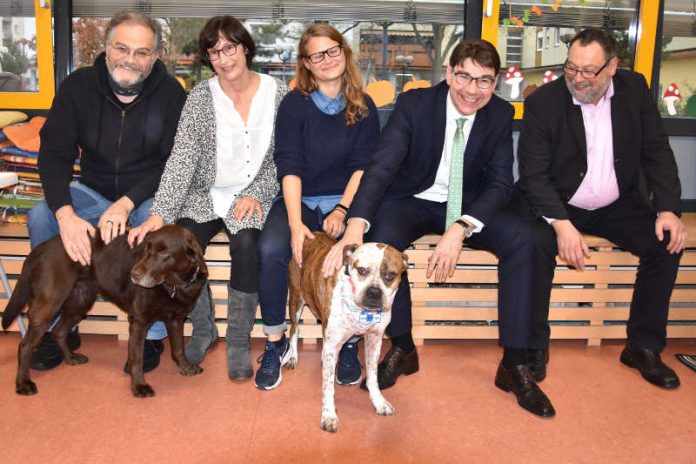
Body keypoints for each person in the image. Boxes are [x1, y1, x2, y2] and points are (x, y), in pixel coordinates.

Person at [323, 39, 555, 417]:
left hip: (472, 205)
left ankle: (514, 364)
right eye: (464, 76)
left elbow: (500, 184)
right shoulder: (415, 106)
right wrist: (355, 224)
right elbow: (382, 166)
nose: (471, 90)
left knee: (528, 239)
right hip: (415, 198)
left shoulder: (499, 114)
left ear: (495, 83)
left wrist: (461, 227)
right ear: (449, 73)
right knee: (382, 234)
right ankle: (403, 347)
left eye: (484, 81)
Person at [515, 28, 687, 389]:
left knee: (665, 243)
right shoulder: (543, 102)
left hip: (616, 203)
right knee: (535, 243)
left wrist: (668, 209)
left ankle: (642, 346)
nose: (577, 79)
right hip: (559, 202)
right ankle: (533, 347)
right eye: (571, 68)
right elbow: (533, 176)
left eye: (588, 71)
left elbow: (657, 150)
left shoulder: (634, 90)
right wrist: (561, 225)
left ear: (612, 66)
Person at [129, 16, 287, 381]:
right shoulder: (201, 97)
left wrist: (256, 193)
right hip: (204, 196)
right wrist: (160, 213)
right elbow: (182, 157)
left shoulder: (278, 94)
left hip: (252, 197)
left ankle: (237, 339)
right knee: (180, 245)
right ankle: (203, 329)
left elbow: (286, 156)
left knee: (247, 243)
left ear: (245, 47)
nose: (223, 58)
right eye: (213, 52)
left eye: (229, 48)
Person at [28, 10, 186, 373]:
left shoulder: (170, 94)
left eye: (142, 52)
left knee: (156, 227)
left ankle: (150, 334)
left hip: (144, 195)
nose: (130, 59)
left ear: (155, 57)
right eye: (122, 48)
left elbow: (172, 163)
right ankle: (57, 328)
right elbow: (53, 154)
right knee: (42, 217)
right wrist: (65, 214)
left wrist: (127, 202)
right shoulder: (78, 86)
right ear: (106, 48)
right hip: (92, 189)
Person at [254, 24, 380, 391]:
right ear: (306, 64)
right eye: (316, 55)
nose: (326, 60)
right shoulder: (294, 105)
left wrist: (343, 210)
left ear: (345, 53)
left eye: (333, 50)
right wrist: (295, 225)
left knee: (365, 255)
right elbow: (289, 165)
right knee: (271, 249)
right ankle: (275, 342)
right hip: (300, 200)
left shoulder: (363, 106)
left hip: (346, 202)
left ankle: (348, 344)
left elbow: (363, 167)